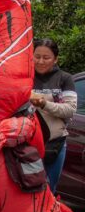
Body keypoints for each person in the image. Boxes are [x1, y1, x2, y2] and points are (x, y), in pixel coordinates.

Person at [30, 38, 77, 193]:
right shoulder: (26, 77)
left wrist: (44, 104)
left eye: (46, 57)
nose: (40, 61)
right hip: (28, 146)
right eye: (37, 57)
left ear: (55, 59)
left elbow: (70, 109)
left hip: (55, 144)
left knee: (49, 190)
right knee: (28, 189)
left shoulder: (64, 78)